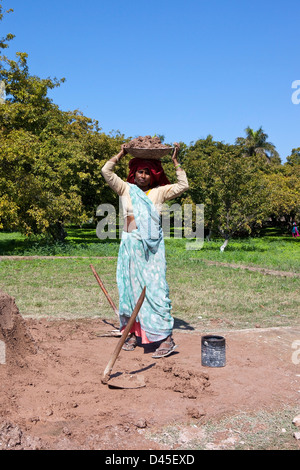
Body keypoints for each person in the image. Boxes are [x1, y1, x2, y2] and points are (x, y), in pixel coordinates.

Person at [101, 143, 189, 358]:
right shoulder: (125, 189)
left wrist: (175, 161)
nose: (142, 176)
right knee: (129, 291)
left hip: (152, 249)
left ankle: (165, 339)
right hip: (130, 247)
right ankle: (131, 333)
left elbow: (183, 185)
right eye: (140, 171)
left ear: (153, 176)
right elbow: (106, 171)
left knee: (156, 291)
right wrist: (121, 153)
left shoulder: (158, 193)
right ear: (134, 173)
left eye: (147, 173)